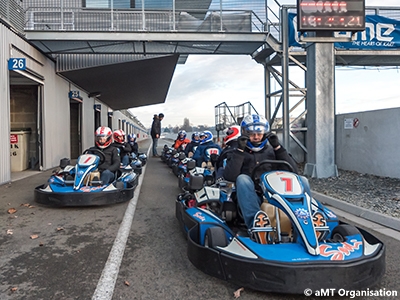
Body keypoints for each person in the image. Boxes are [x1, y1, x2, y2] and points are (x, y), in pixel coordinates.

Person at [223, 114, 298, 244]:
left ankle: (305, 222)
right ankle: (257, 226)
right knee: (243, 179)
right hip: (252, 193)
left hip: (276, 193)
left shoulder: (273, 151)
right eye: (252, 134)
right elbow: (229, 176)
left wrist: (278, 148)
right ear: (245, 134)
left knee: (303, 181)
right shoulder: (237, 152)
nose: (256, 137)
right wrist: (240, 151)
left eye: (259, 133)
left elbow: (293, 171)